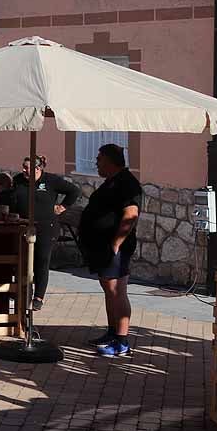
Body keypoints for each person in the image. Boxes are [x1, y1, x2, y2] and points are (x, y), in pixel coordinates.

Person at [78, 144, 141, 357]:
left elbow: (131, 214)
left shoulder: (127, 183)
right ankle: (112, 332)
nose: (96, 162)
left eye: (99, 158)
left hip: (116, 249)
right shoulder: (112, 182)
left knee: (117, 291)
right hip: (101, 247)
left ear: (110, 160)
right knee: (109, 290)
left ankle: (122, 342)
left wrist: (116, 243)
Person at [10, 156, 80, 311]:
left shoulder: (51, 180)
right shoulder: (18, 180)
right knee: (22, 261)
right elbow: (11, 197)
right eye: (23, 166)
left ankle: (38, 297)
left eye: (27, 167)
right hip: (22, 226)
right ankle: (22, 291)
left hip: (46, 228)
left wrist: (62, 207)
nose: (23, 170)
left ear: (38, 169)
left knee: (42, 261)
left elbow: (74, 191)